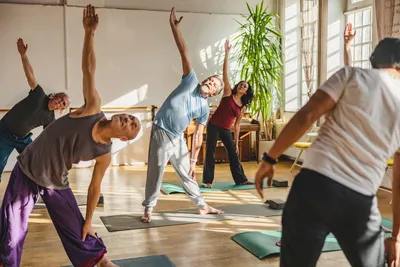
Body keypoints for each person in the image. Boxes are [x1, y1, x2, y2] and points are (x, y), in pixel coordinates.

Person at [0, 5, 140, 267]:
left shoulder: (105, 154)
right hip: (27, 168)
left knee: (78, 226)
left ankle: (101, 260)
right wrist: (89, 33)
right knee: (12, 228)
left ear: (123, 138)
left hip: (55, 181)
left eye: (132, 125)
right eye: (130, 116)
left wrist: (88, 221)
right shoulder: (92, 108)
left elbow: (94, 188)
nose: (129, 119)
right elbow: (88, 70)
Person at [254, 37, 400, 267]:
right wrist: (395, 237)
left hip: (313, 186)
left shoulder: (351, 75)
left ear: (374, 60)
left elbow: (307, 115)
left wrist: (269, 158)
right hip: (359, 199)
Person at [141, 7, 225, 223]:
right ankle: (148, 208)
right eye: (210, 79)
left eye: (214, 84)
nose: (209, 82)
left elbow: (198, 135)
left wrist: (194, 160)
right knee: (156, 171)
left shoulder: (204, 109)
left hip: (177, 138)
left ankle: (202, 205)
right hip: (162, 130)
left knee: (187, 173)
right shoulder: (190, 81)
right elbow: (184, 52)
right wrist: (174, 28)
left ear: (214, 93)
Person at [0, 38, 70, 182]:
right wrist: (23, 55)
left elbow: (51, 138)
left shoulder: (50, 118)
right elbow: (30, 76)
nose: (60, 103)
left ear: (61, 108)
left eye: (63, 104)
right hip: (3, 133)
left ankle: (40, 191)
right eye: (61, 98)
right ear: (55, 96)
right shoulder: (39, 95)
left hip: (22, 139)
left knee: (35, 163)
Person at [202, 39, 254, 188]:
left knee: (233, 153)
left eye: (245, 86)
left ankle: (241, 179)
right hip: (213, 126)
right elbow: (225, 72)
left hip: (225, 130)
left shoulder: (242, 106)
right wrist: (226, 53)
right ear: (238, 86)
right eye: (241, 84)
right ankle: (207, 181)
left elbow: (237, 126)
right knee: (210, 152)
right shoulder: (227, 92)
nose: (242, 86)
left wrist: (236, 143)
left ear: (245, 91)